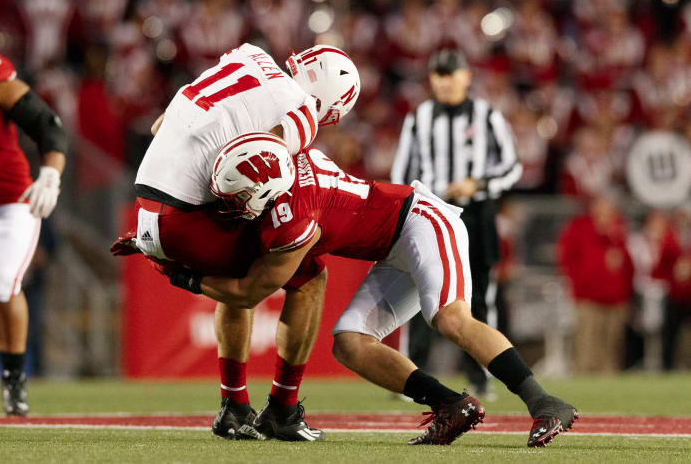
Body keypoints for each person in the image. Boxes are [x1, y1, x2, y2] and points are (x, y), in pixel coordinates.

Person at [165, 139, 577, 448]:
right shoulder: (289, 158)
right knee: (349, 344)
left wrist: (184, 277)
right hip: (391, 247)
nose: (236, 206)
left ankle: (543, 402)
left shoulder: (296, 214)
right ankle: (451, 404)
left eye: (239, 197)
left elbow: (252, 290)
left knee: (451, 317)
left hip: (422, 221)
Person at [114, 43, 360, 441]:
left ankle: (236, 405)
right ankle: (281, 408)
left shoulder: (247, 55)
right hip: (182, 217)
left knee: (244, 260)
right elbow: (262, 163)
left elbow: (162, 125)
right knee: (306, 273)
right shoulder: (301, 109)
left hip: (147, 202)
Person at [390, 49, 522, 398]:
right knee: (418, 296)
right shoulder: (418, 118)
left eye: (451, 74)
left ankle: (481, 376)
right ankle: (410, 376)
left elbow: (512, 166)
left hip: (476, 214)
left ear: (466, 76)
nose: (445, 82)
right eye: (438, 75)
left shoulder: (487, 115)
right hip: (432, 215)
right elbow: (402, 173)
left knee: (480, 296)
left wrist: (477, 184)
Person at [0, 52, 67, 415]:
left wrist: (50, 173)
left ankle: (13, 377)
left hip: (9, 202)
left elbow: (47, 124)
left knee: (2, 283)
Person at [558, 192, 634, 374]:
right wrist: (579, 283)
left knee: (612, 345)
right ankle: (585, 377)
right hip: (588, 296)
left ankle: (609, 380)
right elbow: (566, 259)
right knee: (588, 342)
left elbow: (629, 264)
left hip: (616, 298)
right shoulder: (579, 227)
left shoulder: (619, 230)